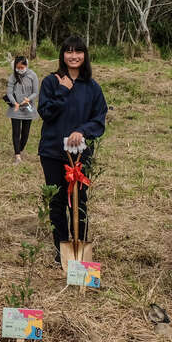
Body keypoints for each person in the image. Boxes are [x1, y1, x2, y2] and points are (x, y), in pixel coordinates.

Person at [36, 36, 108, 265]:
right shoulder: (50, 82)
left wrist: (82, 131)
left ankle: (79, 245)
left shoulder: (92, 87)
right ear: (62, 55)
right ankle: (61, 249)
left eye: (78, 51)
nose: (73, 55)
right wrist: (63, 91)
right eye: (68, 51)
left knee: (79, 201)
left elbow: (99, 118)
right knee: (57, 201)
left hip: (80, 154)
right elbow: (45, 112)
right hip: (52, 152)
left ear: (84, 55)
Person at [5, 55, 39, 163]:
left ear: (26, 65)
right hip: (16, 108)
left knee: (25, 133)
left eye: (22, 67)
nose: (20, 70)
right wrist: (14, 103)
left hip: (28, 107)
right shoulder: (12, 77)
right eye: (17, 68)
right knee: (16, 132)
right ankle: (17, 155)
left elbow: (36, 92)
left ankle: (20, 149)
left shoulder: (32, 75)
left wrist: (28, 99)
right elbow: (9, 92)